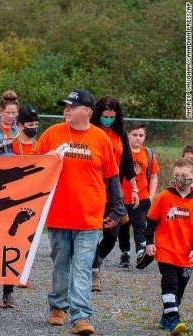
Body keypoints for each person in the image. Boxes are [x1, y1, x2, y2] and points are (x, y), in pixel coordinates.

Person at [33, 89, 125, 335]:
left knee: (83, 267)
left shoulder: (100, 138)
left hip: (89, 217)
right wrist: (46, 159)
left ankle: (81, 317)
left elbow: (112, 176)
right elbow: (30, 166)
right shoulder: (52, 134)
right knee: (60, 265)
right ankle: (58, 307)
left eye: (72, 107)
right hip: (59, 215)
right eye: (65, 106)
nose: (67, 110)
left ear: (87, 111)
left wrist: (117, 209)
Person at [90, 96, 137, 289]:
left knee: (111, 234)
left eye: (111, 116)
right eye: (104, 116)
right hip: (93, 188)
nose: (107, 119)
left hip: (113, 191)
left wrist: (134, 188)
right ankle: (92, 271)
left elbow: (127, 163)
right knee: (91, 233)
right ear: (97, 114)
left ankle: (97, 261)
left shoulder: (120, 135)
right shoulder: (91, 131)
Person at [144, 158, 193, 335]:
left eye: (185, 176)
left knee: (179, 290)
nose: (181, 179)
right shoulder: (165, 196)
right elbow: (150, 221)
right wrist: (149, 242)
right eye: (177, 175)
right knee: (170, 284)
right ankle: (174, 320)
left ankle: (166, 317)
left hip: (186, 255)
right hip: (166, 251)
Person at [118, 122, 159, 268]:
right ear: (128, 135)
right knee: (123, 226)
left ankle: (141, 252)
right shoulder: (122, 152)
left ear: (145, 136)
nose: (138, 138)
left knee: (140, 225)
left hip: (142, 198)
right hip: (123, 198)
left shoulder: (148, 153)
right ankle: (125, 253)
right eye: (134, 135)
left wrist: (150, 197)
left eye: (141, 135)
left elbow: (153, 177)